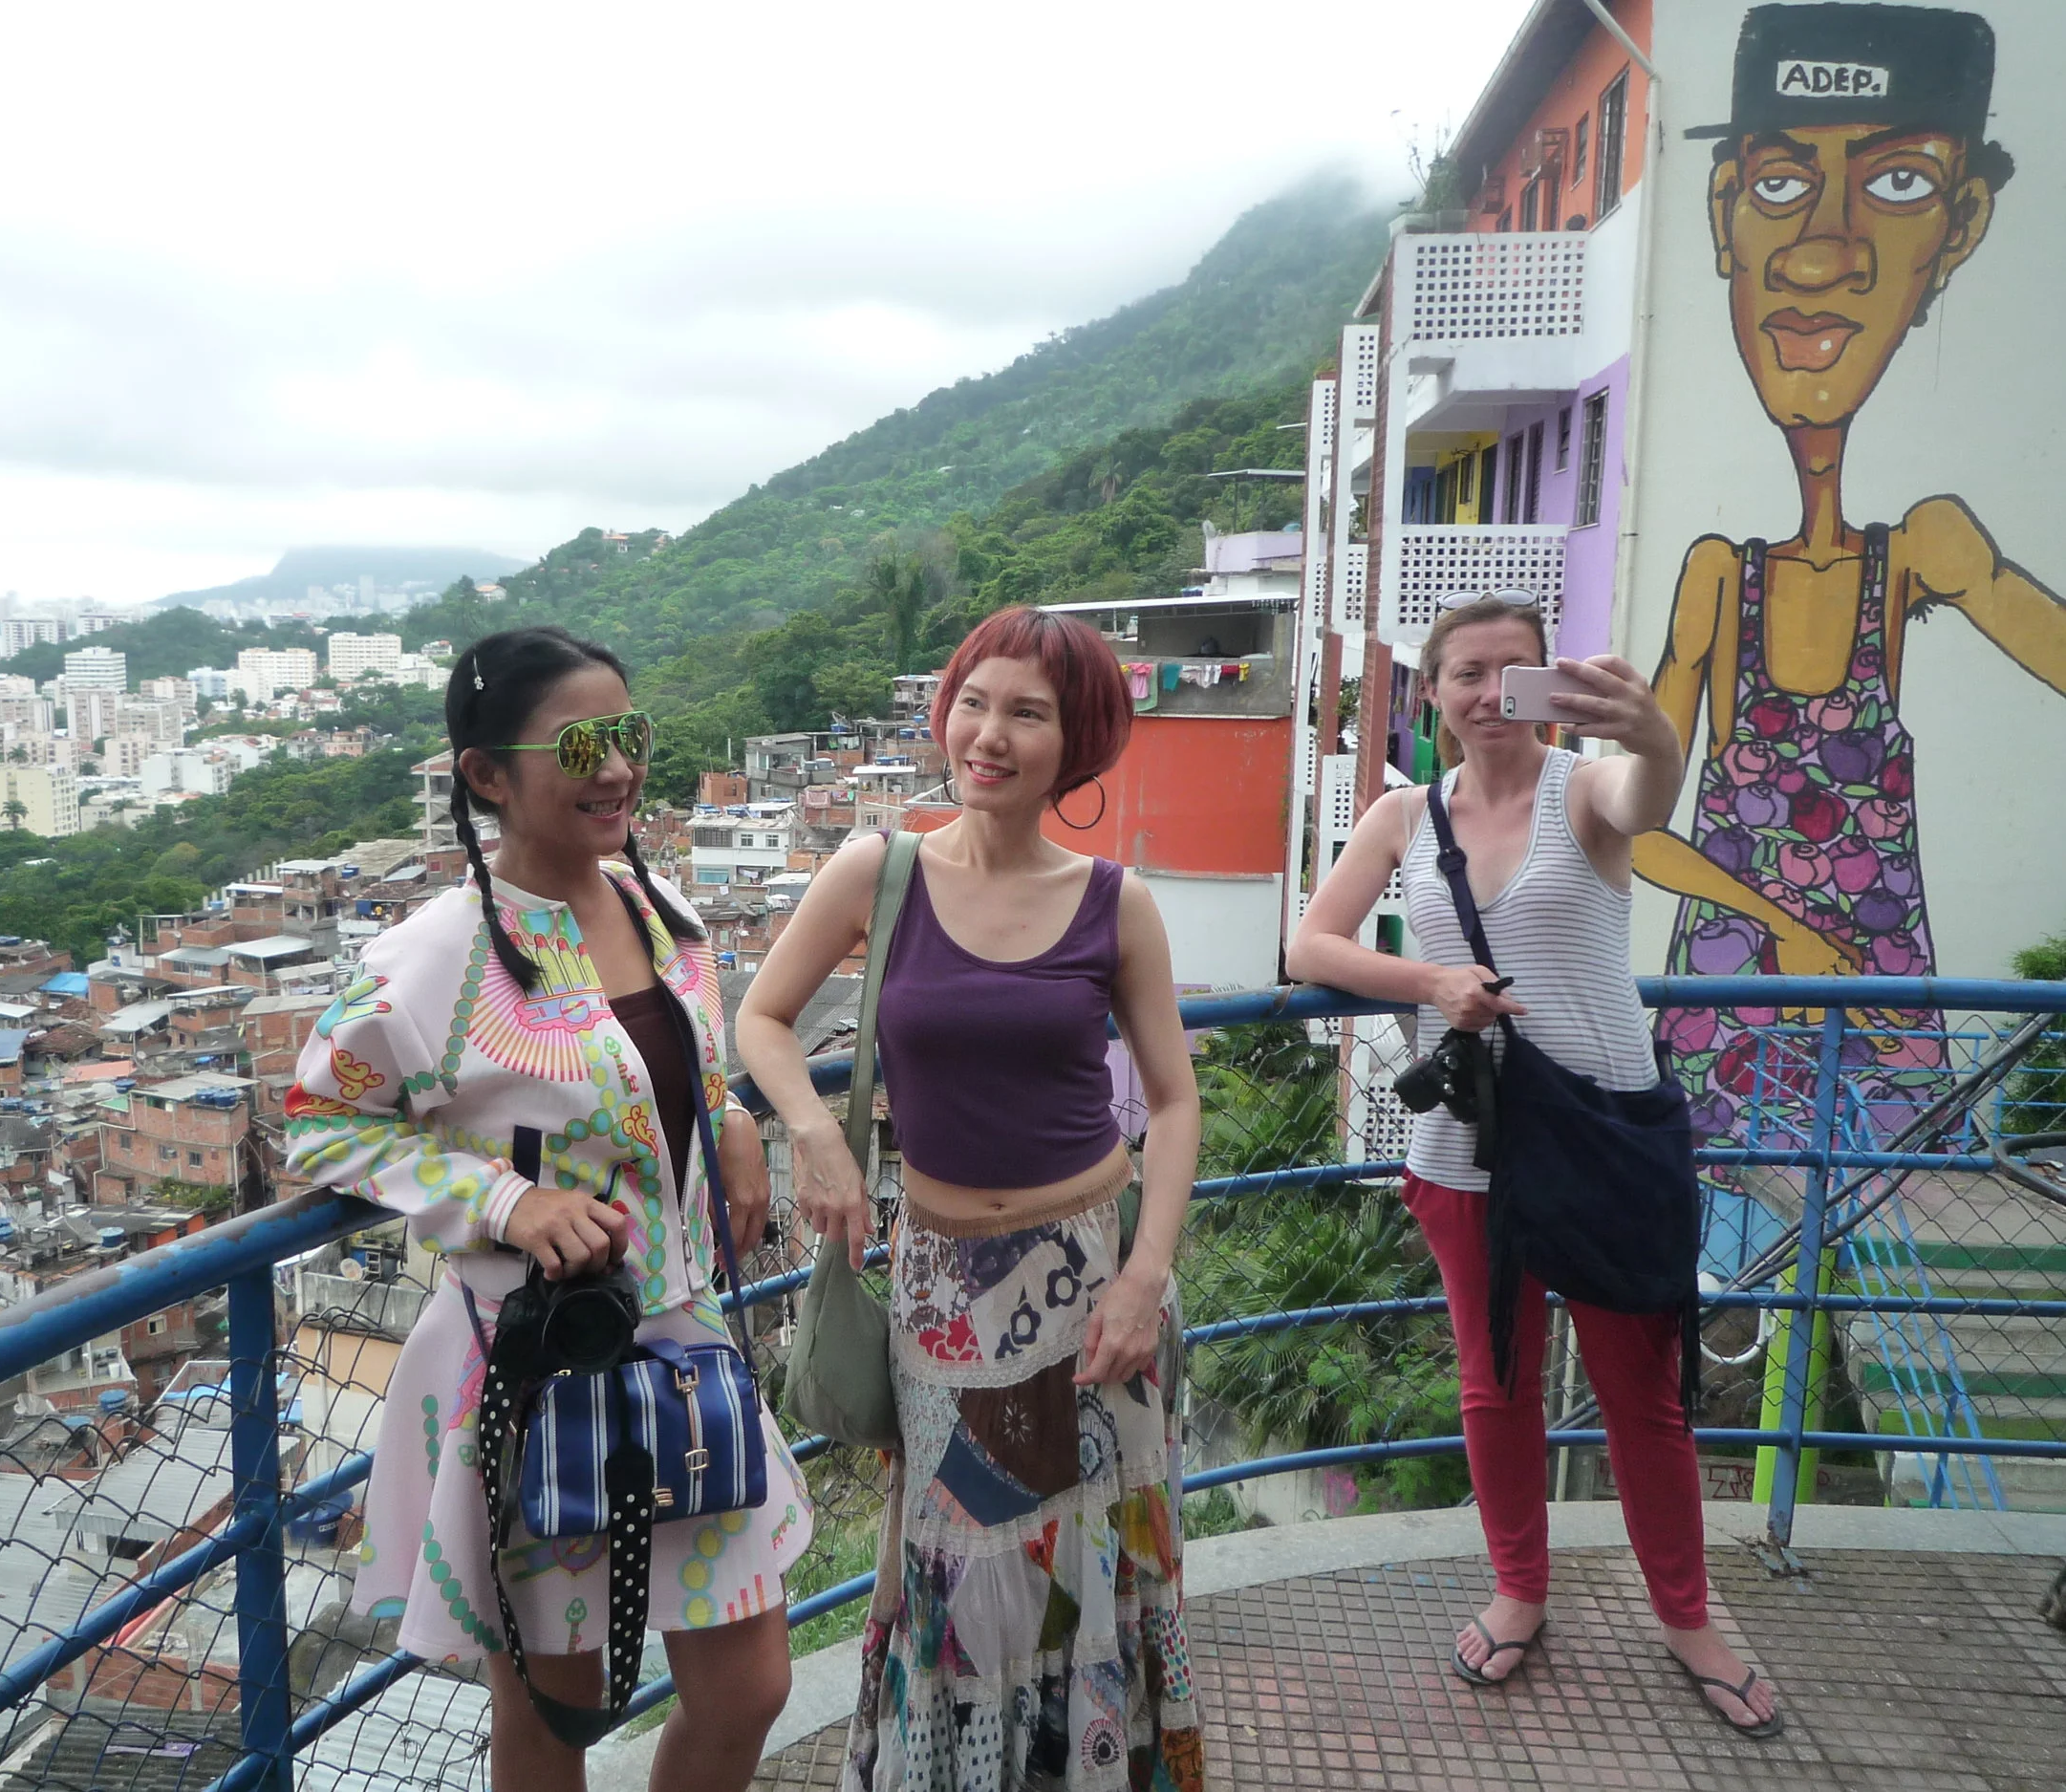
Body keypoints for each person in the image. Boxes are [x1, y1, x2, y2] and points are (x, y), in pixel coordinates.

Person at [286, 626, 812, 1792]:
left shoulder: (654, 900)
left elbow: (673, 1055)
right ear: (486, 776)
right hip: (538, 1373)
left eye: (630, 734)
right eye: (583, 743)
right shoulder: (433, 958)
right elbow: (321, 1123)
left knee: (748, 1683)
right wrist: (506, 1199)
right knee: (550, 1715)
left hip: (680, 1346)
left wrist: (724, 1114)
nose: (619, 766)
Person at [1289, 595, 1785, 1739]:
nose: (1487, 693)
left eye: (1514, 672)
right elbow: (1311, 944)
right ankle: (1519, 1589)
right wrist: (1431, 985)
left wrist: (1652, 731)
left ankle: (1687, 1616)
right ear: (1434, 695)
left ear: (1548, 686)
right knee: (1495, 1379)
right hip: (1467, 1144)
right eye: (1466, 674)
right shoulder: (1402, 816)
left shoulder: (1584, 791)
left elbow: (1647, 797)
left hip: (1605, 1132)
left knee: (1640, 1395)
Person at [738, 605, 1207, 1792]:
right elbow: (759, 1018)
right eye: (974, 702)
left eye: (1027, 714)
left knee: (1095, 1553)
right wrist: (813, 1133)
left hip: (1093, 1275)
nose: (988, 735)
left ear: (1077, 743)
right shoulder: (878, 871)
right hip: (943, 1289)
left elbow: (1173, 1099)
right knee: (960, 1559)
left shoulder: (1116, 902)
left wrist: (1145, 1280)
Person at [1642, 3, 2066, 1141]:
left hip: (1875, 1032)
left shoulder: (1927, 549)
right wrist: (1771, 919)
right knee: (1727, 1272)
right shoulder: (1715, 579)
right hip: (1725, 1020)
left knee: (1873, 1256)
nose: (1820, 249)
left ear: (1963, 222)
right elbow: (1628, 830)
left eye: (1895, 186)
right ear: (1724, 210)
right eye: (1779, 186)